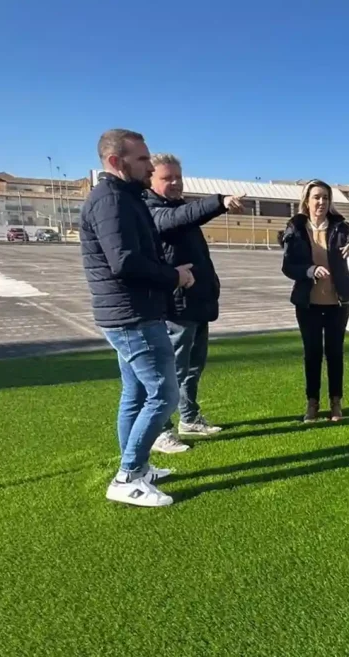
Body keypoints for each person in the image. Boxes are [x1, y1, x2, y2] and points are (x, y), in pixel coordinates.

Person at [80, 129, 192, 508]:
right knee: (164, 392)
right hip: (131, 315)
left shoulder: (123, 198)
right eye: (142, 159)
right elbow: (125, 262)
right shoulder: (111, 201)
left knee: (137, 393)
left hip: (131, 312)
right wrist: (175, 275)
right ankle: (127, 476)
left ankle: (138, 467)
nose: (150, 165)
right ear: (116, 161)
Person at [144, 153, 247, 453]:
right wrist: (219, 201)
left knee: (192, 367)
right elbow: (176, 220)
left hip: (197, 303)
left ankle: (189, 418)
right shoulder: (150, 209)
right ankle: (160, 429)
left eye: (178, 177)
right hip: (174, 306)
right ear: (151, 179)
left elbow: (185, 216)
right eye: (167, 178)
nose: (175, 183)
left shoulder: (178, 207)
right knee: (171, 370)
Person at [280, 180, 349, 423]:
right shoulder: (295, 228)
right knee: (312, 354)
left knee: (334, 353)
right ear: (307, 201)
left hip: (337, 304)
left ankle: (336, 403)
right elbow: (288, 266)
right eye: (317, 197)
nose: (321, 202)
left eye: (325, 198)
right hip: (307, 304)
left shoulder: (340, 228)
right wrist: (309, 271)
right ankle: (312, 403)